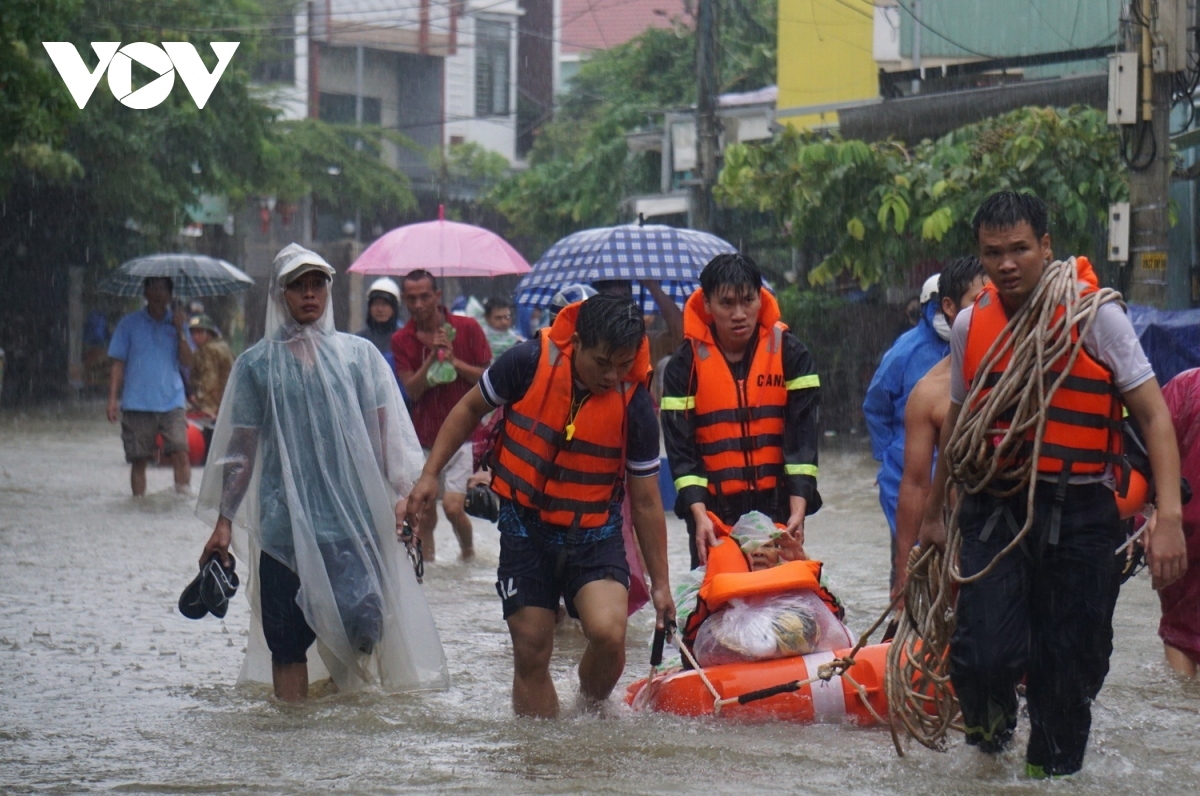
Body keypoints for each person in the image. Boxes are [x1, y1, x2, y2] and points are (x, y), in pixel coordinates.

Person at [919, 191, 1187, 777]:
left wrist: (1167, 519)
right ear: (980, 256)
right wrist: (936, 513)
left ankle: (1048, 776)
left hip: (1083, 508)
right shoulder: (970, 324)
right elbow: (961, 425)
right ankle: (989, 760)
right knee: (982, 655)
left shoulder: (1098, 317)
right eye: (994, 253)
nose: (1008, 263)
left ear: (1046, 247)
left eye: (1020, 248)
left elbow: (1154, 418)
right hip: (997, 506)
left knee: (1068, 672)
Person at [195, 243, 447, 702]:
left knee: (364, 627)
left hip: (350, 525)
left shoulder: (359, 357)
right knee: (287, 645)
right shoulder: (257, 365)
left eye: (317, 284)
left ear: (328, 291)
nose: (309, 294)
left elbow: (383, 436)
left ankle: (343, 723)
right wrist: (224, 522)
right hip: (282, 529)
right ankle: (294, 744)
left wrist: (400, 497)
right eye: (298, 285)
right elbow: (241, 449)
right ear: (280, 294)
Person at [406, 293, 675, 717]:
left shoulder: (635, 403)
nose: (613, 376)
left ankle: (587, 711)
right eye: (602, 362)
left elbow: (644, 500)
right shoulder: (527, 362)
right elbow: (469, 409)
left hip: (595, 532)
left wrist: (661, 584)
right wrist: (428, 476)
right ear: (577, 343)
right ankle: (540, 759)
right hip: (525, 528)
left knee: (608, 634)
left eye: (623, 364)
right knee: (532, 651)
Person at [661, 253, 822, 570]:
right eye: (727, 303)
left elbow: (802, 440)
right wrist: (699, 514)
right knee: (721, 601)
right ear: (706, 304)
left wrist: (798, 511)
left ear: (760, 300)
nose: (739, 314)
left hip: (776, 507)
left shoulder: (792, 353)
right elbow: (681, 451)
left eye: (748, 301)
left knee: (778, 603)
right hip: (711, 513)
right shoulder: (684, 365)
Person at [891, 257, 987, 602]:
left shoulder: (1036, 369)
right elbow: (915, 484)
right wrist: (903, 575)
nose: (990, 312)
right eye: (978, 303)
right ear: (949, 308)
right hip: (964, 534)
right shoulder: (928, 392)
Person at [392, 269, 493, 561]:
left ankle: (468, 555)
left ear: (437, 296)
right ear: (404, 300)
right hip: (423, 437)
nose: (419, 304)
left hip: (463, 436)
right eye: (411, 298)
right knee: (424, 512)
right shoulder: (402, 339)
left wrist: (453, 361)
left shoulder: (468, 327)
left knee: (452, 506)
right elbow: (412, 390)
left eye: (425, 296)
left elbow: (487, 378)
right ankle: (430, 570)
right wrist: (430, 361)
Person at [863, 273, 950, 572]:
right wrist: (887, 455)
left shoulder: (970, 346)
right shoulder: (904, 351)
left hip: (952, 475)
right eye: (937, 306)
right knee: (906, 559)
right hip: (905, 471)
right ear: (925, 309)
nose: (944, 314)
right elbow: (875, 406)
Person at [106, 276, 194, 496]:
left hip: (172, 401)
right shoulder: (129, 324)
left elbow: (188, 361)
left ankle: (182, 500)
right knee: (139, 460)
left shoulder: (178, 324)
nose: (157, 294)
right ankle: (138, 504)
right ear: (145, 293)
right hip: (137, 402)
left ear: (170, 295)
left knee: (181, 453)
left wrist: (180, 331)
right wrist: (112, 399)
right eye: (153, 289)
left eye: (163, 290)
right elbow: (118, 363)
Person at [1156, 368, 1200, 677]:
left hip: (1181, 533)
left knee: (1180, 630)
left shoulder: (1185, 386)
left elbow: (1149, 449)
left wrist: (1150, 518)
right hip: (1181, 531)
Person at [187, 315, 235, 461]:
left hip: (214, 404)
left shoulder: (209, 351)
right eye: (193, 333)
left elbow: (210, 382)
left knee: (208, 434)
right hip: (228, 399)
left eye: (199, 332)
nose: (195, 337)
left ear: (209, 334)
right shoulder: (222, 347)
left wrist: (204, 404)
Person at [356, 277, 403, 365]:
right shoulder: (359, 340)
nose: (380, 309)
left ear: (394, 307)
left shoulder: (403, 339)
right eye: (376, 304)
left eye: (385, 304)